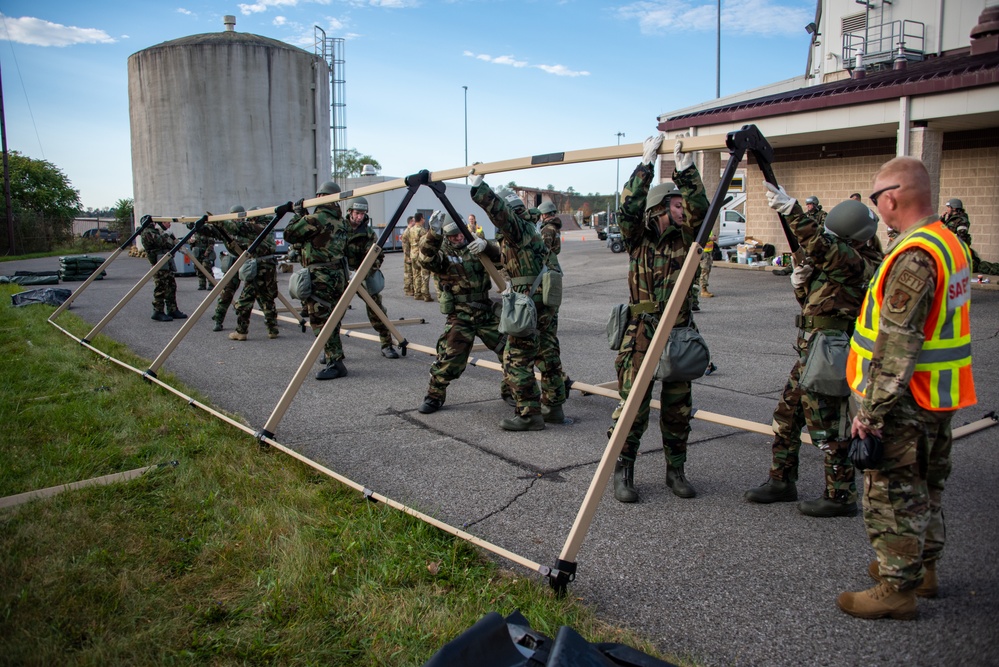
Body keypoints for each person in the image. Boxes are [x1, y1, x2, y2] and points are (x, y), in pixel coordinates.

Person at [838, 156, 976, 620]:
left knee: (893, 492)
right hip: (938, 393)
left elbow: (897, 344)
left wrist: (870, 412)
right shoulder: (949, 243)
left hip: (905, 400)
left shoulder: (914, 256)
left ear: (891, 197)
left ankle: (897, 588)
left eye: (877, 198)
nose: (877, 206)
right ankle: (924, 568)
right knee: (927, 485)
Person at [744, 195, 882, 517]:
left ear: (850, 239)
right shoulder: (838, 260)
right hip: (811, 349)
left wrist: (792, 211)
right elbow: (815, 304)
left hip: (831, 353)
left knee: (829, 428)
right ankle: (781, 481)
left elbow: (822, 247)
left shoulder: (861, 262)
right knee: (787, 418)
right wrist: (800, 285)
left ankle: (840, 495)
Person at [609, 133, 709, 502]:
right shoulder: (638, 238)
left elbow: (703, 211)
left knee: (678, 408)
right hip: (642, 331)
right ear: (660, 208)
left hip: (679, 331)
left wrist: (685, 171)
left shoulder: (688, 239)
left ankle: (676, 471)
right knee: (632, 406)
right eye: (678, 205)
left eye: (684, 205)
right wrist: (645, 166)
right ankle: (624, 470)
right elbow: (628, 210)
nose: (684, 210)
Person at [469, 172, 567, 431]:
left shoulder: (517, 227)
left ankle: (529, 414)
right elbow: (511, 258)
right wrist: (487, 247)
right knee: (548, 353)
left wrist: (480, 188)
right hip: (544, 301)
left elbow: (498, 212)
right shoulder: (532, 229)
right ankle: (554, 407)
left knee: (515, 358)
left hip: (528, 303)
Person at [415, 213, 509, 413]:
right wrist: (434, 234)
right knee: (450, 359)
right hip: (460, 314)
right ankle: (434, 396)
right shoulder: (442, 252)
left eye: (460, 234)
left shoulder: (476, 245)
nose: (458, 238)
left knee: (510, 351)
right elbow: (425, 259)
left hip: (485, 310)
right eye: (452, 236)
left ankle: (510, 390)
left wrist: (487, 247)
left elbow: (503, 258)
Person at [284, 181, 351, 380]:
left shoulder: (315, 218)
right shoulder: (342, 221)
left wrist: (298, 214)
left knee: (320, 317)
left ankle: (335, 362)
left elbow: (289, 233)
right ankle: (332, 352)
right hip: (338, 274)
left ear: (321, 196)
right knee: (333, 315)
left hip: (320, 274)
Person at [344, 196, 400, 359]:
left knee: (377, 310)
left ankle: (386, 344)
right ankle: (332, 351)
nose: (360, 216)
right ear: (349, 212)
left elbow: (377, 257)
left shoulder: (369, 234)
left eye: (363, 213)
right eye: (357, 213)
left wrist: (362, 273)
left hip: (362, 275)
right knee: (334, 313)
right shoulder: (339, 229)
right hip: (342, 274)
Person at [226, 210, 280, 341]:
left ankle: (241, 331)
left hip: (258, 268)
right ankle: (273, 329)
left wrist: (219, 223)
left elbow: (235, 228)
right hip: (269, 266)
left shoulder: (256, 227)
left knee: (245, 300)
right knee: (267, 297)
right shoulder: (268, 227)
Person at [210, 205, 251, 332]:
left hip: (247, 262)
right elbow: (209, 231)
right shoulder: (227, 229)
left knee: (254, 292)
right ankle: (218, 318)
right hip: (234, 262)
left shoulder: (247, 227)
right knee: (227, 292)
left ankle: (270, 321)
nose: (235, 219)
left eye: (236, 216)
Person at [141, 217, 187, 322]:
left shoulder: (156, 231)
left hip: (165, 263)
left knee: (171, 286)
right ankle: (158, 311)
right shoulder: (147, 233)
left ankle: (172, 309)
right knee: (160, 288)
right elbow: (161, 241)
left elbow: (168, 243)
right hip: (158, 263)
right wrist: (167, 235)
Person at [941, 197, 999, 275]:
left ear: (954, 208)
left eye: (948, 207)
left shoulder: (961, 220)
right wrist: (942, 219)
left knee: (975, 267)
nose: (947, 209)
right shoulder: (951, 219)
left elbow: (962, 237)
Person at [411, 213, 433, 302]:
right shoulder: (422, 230)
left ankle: (417, 294)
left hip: (413, 254)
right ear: (420, 219)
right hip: (420, 255)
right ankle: (426, 295)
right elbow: (425, 243)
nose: (424, 220)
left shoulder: (411, 229)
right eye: (423, 218)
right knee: (425, 275)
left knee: (416, 274)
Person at [189, 223, 216, 290]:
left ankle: (211, 283)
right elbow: (190, 242)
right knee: (198, 268)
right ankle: (202, 284)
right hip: (197, 253)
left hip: (205, 253)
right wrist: (190, 241)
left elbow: (211, 244)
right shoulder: (195, 234)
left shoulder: (208, 233)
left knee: (206, 267)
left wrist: (207, 252)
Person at [401, 216, 417, 296]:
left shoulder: (411, 231)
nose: (415, 222)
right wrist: (409, 256)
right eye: (414, 221)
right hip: (408, 257)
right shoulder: (406, 232)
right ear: (411, 222)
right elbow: (405, 246)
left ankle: (412, 289)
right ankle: (408, 290)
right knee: (408, 274)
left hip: (411, 255)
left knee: (412, 274)